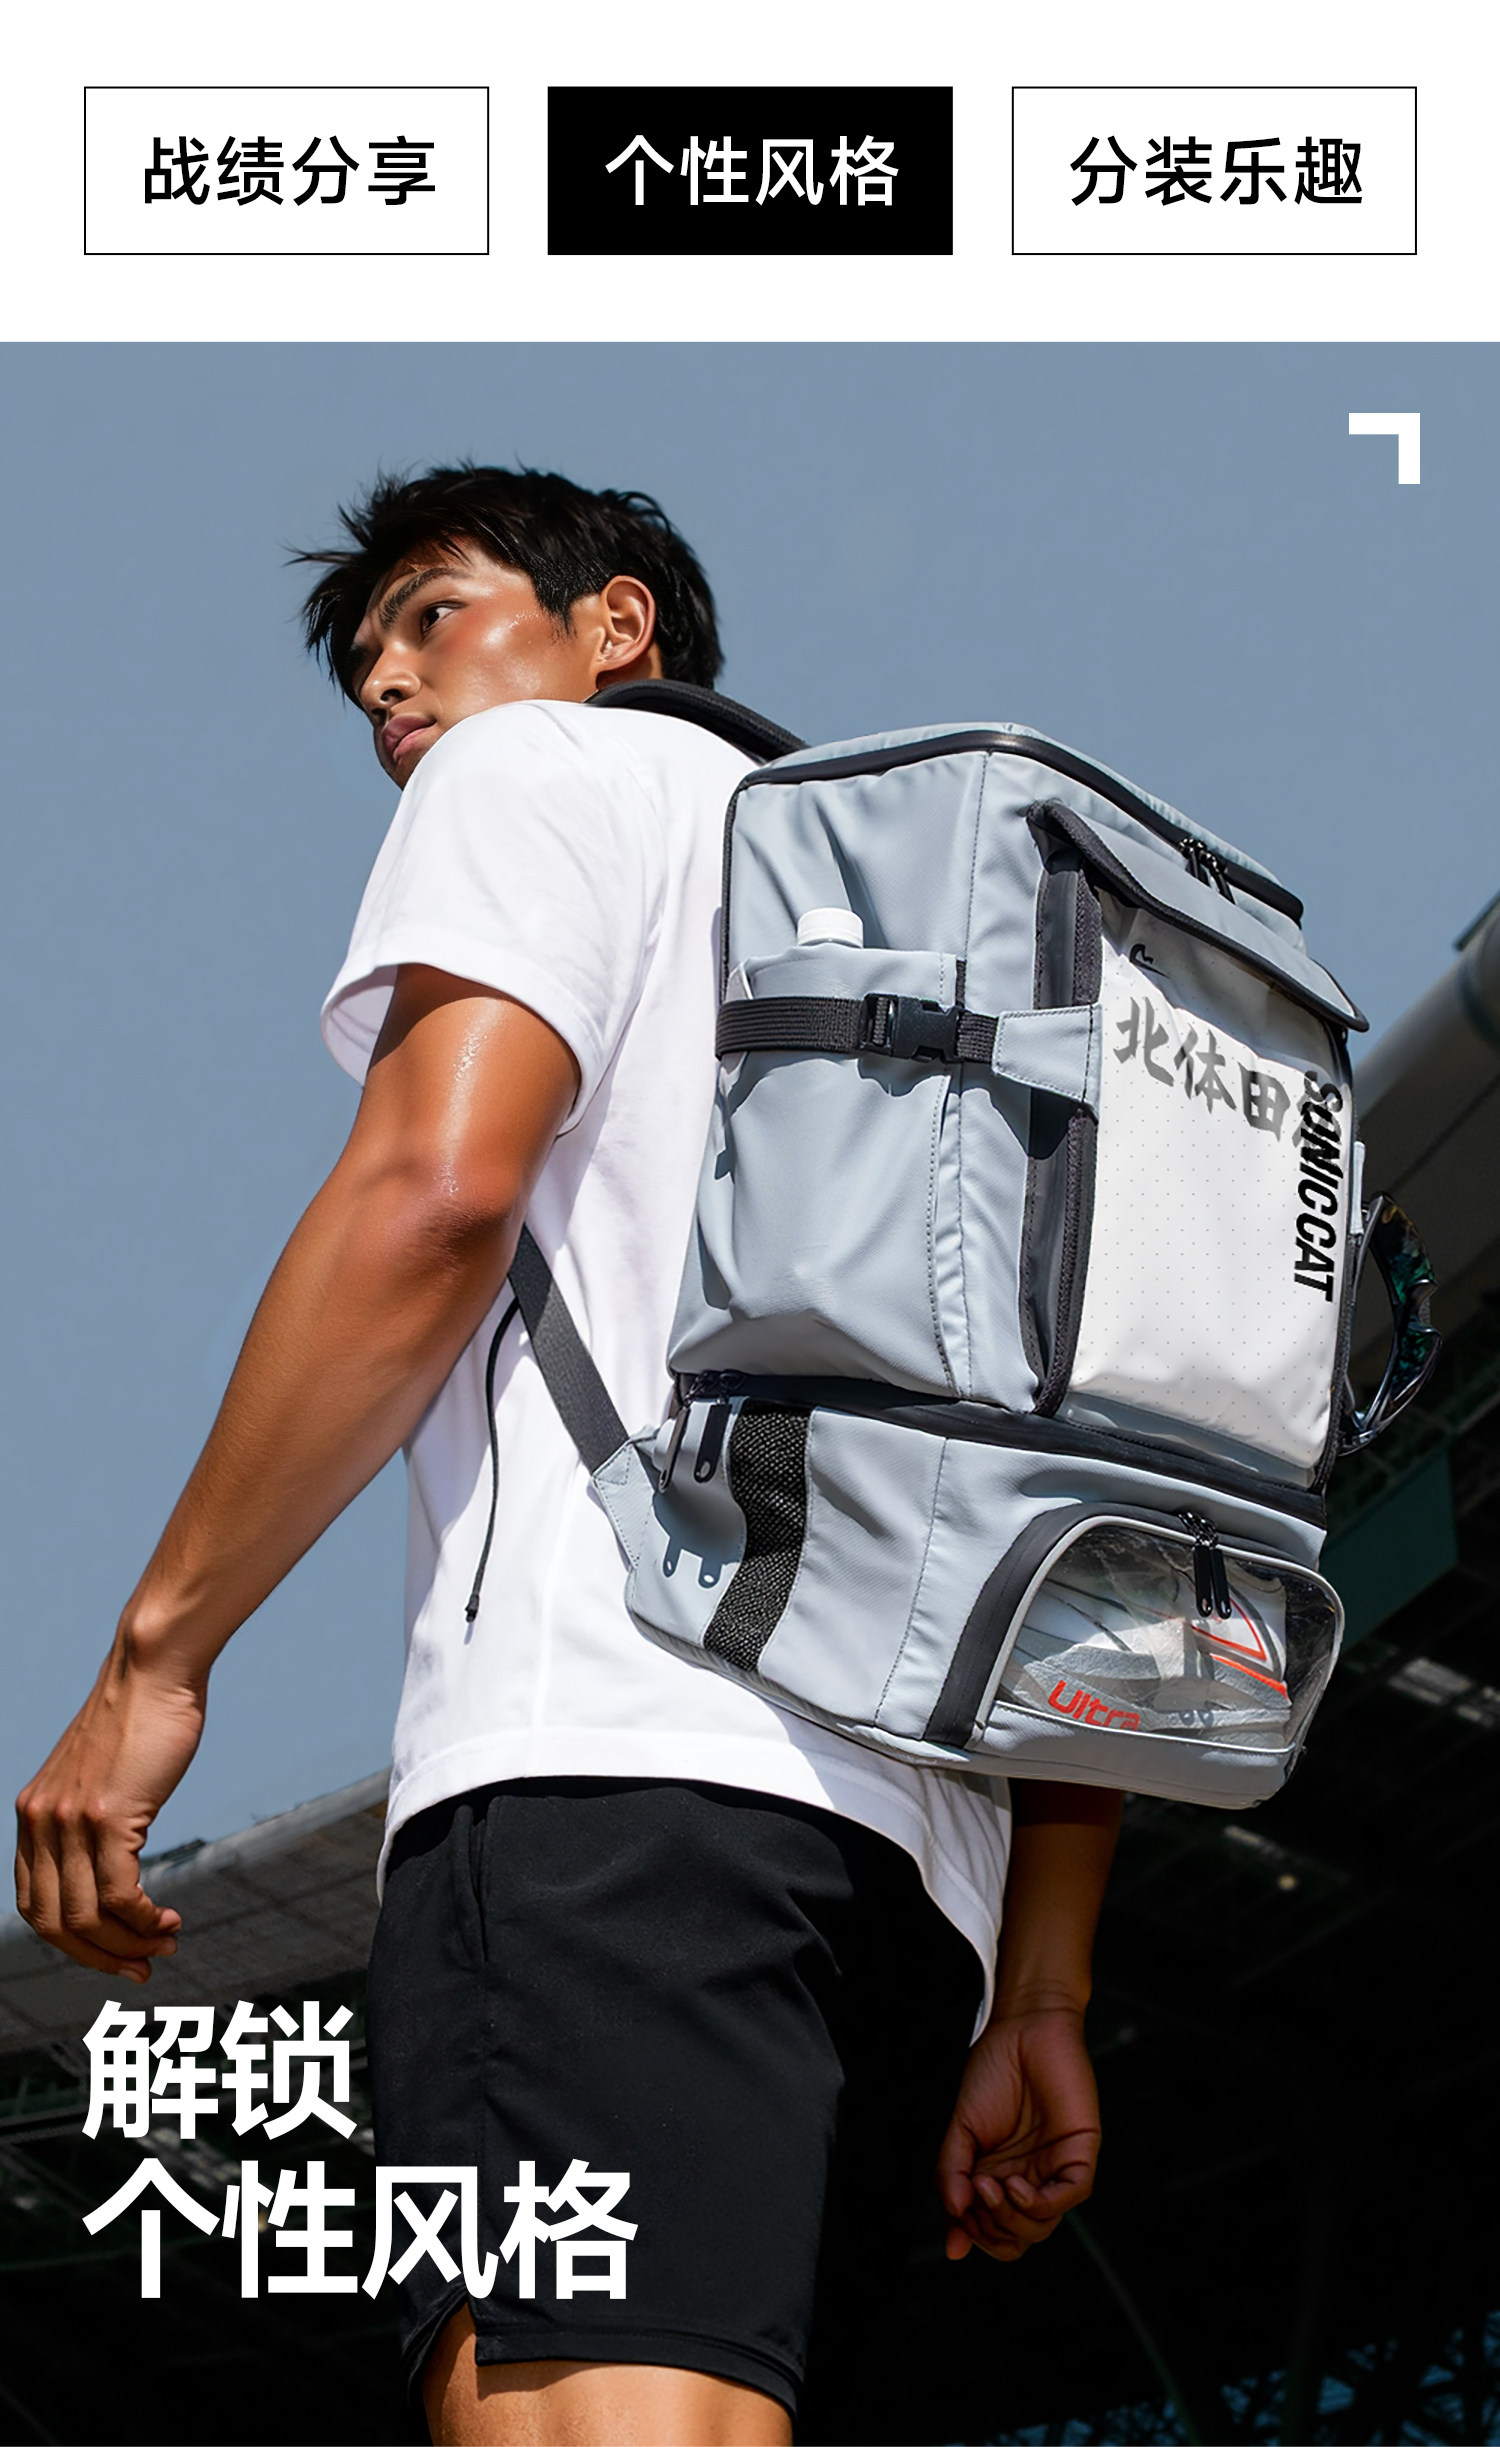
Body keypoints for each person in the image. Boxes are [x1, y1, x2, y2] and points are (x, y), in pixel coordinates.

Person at [14, 464, 1121, 2446]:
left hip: (612, 1776)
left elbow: (435, 1196)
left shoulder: (544, 775)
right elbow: (1087, 1466)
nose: (390, 689)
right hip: (918, 1893)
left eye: (432, 617)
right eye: (365, 669)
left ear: (617, 629)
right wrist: (1042, 1982)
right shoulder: (959, 947)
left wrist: (154, 1657)